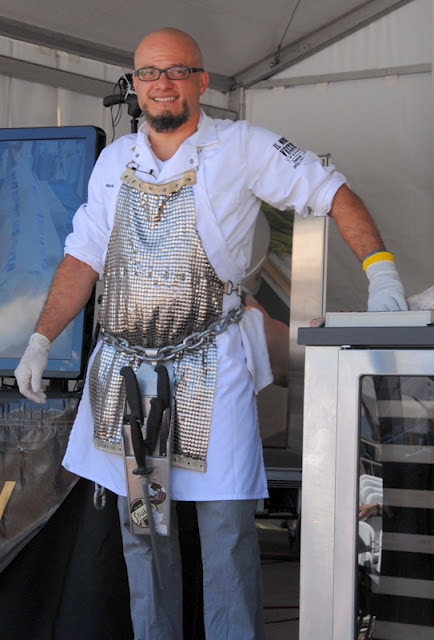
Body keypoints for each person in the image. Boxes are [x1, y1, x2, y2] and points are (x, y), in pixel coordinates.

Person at [14, 27, 408, 640]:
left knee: (224, 534)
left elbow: (332, 192)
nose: (162, 83)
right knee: (145, 531)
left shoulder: (245, 147)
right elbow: (83, 255)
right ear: (134, 85)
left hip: (209, 367)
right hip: (128, 379)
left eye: (177, 71)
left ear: (201, 81)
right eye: (149, 73)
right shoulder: (115, 161)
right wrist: (42, 337)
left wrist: (381, 275)